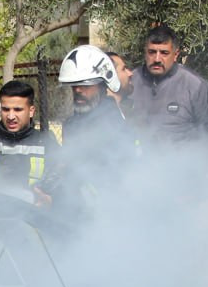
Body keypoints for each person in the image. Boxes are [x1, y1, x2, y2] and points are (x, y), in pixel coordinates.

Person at [38, 44, 140, 221]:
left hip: (106, 219)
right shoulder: (73, 124)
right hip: (79, 216)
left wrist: (57, 199)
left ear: (102, 85)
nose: (78, 90)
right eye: (74, 85)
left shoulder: (113, 126)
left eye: (85, 85)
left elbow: (115, 183)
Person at [130, 24, 208, 144]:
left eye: (164, 53)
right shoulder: (131, 81)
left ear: (176, 54)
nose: (157, 59)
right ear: (145, 52)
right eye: (152, 52)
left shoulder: (194, 85)